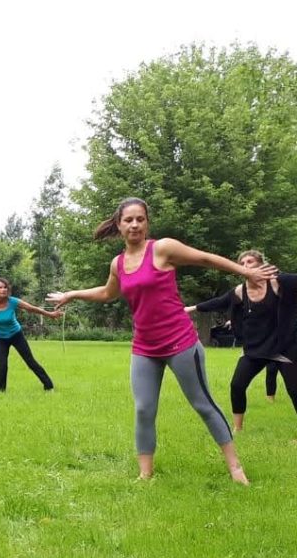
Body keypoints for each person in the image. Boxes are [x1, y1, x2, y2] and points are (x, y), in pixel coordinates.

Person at [46, 198, 276, 485]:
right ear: (119, 225)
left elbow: (204, 258)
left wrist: (245, 272)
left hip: (180, 342)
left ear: (147, 223)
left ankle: (235, 468)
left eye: (140, 219)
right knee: (144, 408)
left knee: (202, 403)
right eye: (128, 220)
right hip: (144, 347)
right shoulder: (118, 263)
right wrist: (72, 294)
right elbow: (108, 293)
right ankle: (145, 474)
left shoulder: (163, 249)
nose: (134, 225)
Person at [184, 249, 297, 432]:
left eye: (250, 262)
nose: (245, 266)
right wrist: (191, 308)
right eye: (242, 264)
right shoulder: (239, 291)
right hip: (255, 349)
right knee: (237, 385)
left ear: (260, 265)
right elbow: (218, 302)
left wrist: (278, 273)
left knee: (295, 390)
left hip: (283, 348)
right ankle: (238, 428)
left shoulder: (278, 283)